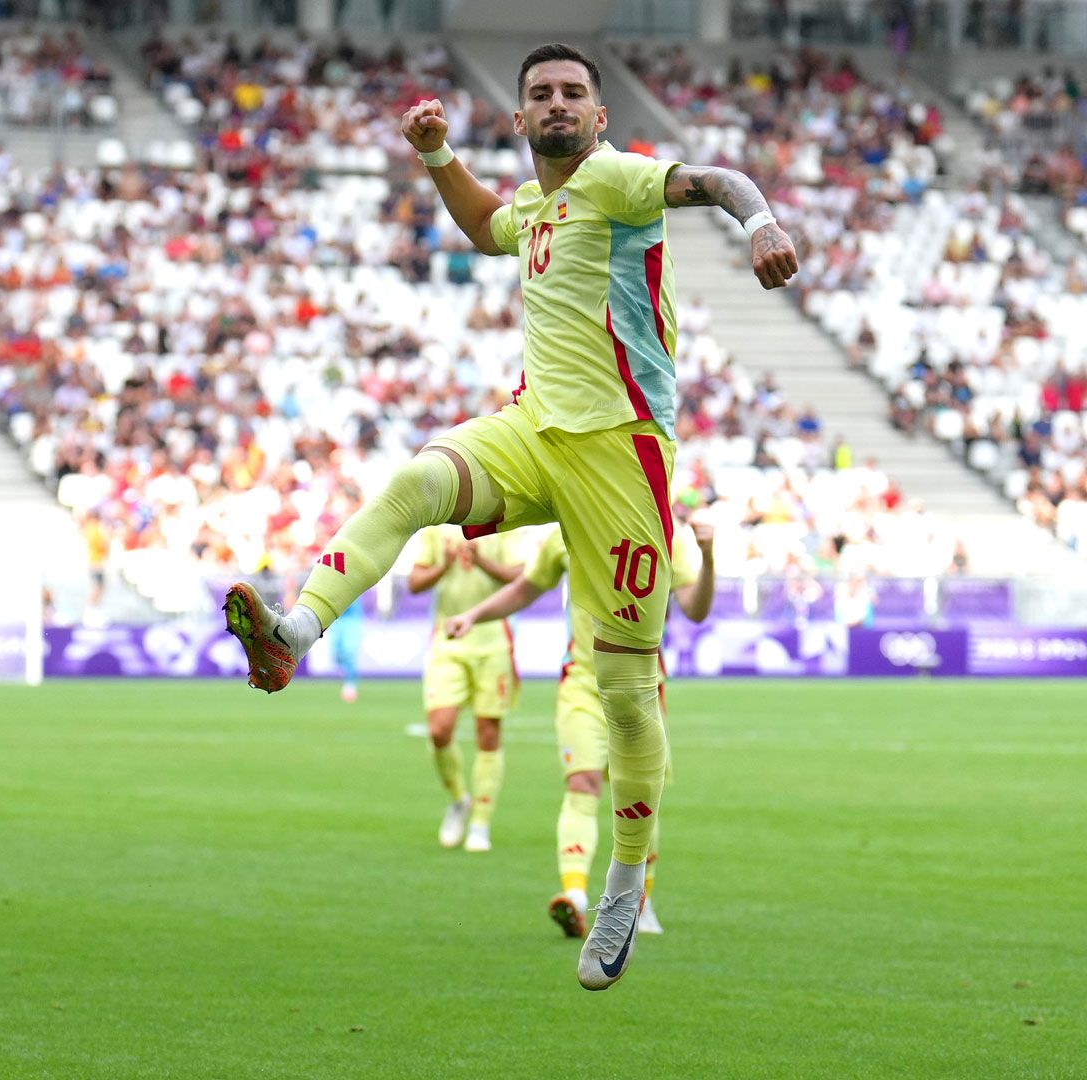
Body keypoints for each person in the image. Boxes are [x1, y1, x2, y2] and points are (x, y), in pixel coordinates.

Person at [221, 42, 797, 991]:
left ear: (599, 118)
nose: (559, 103)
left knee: (625, 695)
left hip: (621, 452)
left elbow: (722, 178)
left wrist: (761, 224)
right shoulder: (535, 205)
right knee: (413, 485)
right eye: (541, 95)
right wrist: (439, 155)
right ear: (521, 120)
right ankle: (292, 632)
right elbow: (489, 224)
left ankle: (622, 882)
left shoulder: (620, 179)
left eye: (575, 92)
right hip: (533, 427)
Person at [442, 515, 715, 941]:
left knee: (641, 798)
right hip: (583, 685)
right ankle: (573, 894)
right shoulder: (570, 525)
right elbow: (525, 588)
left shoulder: (665, 530)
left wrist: (709, 555)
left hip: (641, 688)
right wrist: (474, 615)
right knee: (582, 783)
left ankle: (639, 901)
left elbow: (695, 609)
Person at [406, 526, 525, 852]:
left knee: (488, 733)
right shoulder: (437, 521)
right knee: (439, 729)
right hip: (448, 640)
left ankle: (481, 823)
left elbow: (522, 576)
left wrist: (482, 561)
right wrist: (443, 565)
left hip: (493, 643)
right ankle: (460, 800)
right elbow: (414, 583)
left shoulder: (505, 515)